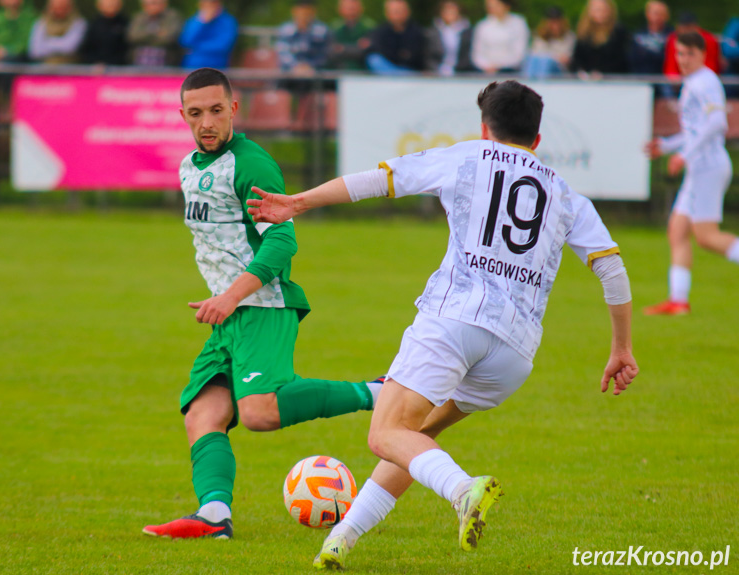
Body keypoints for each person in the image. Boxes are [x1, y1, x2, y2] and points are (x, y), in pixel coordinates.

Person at [247, 79, 639, 570]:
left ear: (484, 127)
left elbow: (379, 179)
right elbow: (612, 268)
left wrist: (298, 202)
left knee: (385, 433)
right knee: (415, 440)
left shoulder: (467, 156)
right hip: (515, 352)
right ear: (537, 140)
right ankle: (341, 539)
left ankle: (463, 489)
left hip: (455, 321)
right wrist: (621, 347)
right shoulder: (564, 194)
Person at [141, 68, 383, 540]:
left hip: (261, 306)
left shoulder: (251, 164)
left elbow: (281, 243)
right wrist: (224, 302)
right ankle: (213, 514)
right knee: (203, 414)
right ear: (182, 116)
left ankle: (376, 393)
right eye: (195, 114)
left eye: (215, 110)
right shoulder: (189, 166)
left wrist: (230, 297)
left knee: (258, 412)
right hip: (228, 315)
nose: (206, 122)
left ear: (233, 109)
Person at [644, 32, 738, 316]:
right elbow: (694, 131)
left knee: (707, 237)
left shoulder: (705, 82)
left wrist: (683, 155)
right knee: (677, 231)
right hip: (699, 168)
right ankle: (678, 301)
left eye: (688, 54)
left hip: (708, 167)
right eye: (679, 54)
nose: (682, 60)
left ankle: (678, 300)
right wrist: (667, 145)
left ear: (702, 54)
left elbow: (717, 123)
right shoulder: (693, 83)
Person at [365, 0, 426, 75]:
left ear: (407, 12)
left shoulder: (417, 31)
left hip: (410, 69)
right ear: (387, 13)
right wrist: (401, 55)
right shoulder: (380, 31)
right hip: (389, 68)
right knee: (374, 59)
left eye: (399, 11)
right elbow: (380, 51)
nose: (397, 14)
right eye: (395, 11)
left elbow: (416, 56)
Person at [570, 0, 628, 78]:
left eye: (603, 10)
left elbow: (621, 60)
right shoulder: (583, 33)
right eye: (597, 10)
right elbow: (576, 60)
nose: (600, 13)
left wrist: (602, 73)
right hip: (586, 80)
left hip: (612, 80)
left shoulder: (618, 32)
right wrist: (581, 72)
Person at [471, 0, 528, 74]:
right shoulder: (482, 25)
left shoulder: (518, 23)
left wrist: (499, 65)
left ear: (506, 5)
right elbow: (477, 53)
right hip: (486, 72)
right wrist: (487, 66)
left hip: (511, 71)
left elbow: (520, 53)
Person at [275, 0, 330, 75]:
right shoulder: (285, 30)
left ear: (313, 12)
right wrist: (295, 66)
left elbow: (324, 54)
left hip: (315, 72)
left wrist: (310, 66)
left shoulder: (322, 30)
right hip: (290, 72)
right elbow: (283, 52)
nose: (303, 15)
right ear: (294, 11)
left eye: (307, 11)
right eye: (301, 10)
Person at [178, 0, 238, 69]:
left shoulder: (228, 22)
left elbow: (223, 46)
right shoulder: (195, 20)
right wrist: (202, 23)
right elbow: (186, 41)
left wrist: (196, 48)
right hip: (192, 64)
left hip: (217, 65)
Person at [663, 12, 721, 77]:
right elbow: (671, 68)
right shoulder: (673, 39)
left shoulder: (709, 40)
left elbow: (711, 66)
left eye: (691, 53)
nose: (685, 60)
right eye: (681, 54)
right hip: (679, 81)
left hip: (700, 76)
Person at [28, 0, 87, 65]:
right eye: (56, 7)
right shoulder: (41, 23)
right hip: (43, 68)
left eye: (63, 7)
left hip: (70, 69)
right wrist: (60, 45)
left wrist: (47, 43)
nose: (59, 10)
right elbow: (35, 51)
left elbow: (69, 48)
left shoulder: (79, 23)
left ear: (70, 7)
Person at [523, 5, 574, 78]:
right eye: (552, 22)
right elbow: (536, 54)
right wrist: (555, 56)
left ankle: (541, 84)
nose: (555, 25)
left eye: (557, 22)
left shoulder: (569, 37)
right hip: (541, 68)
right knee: (533, 60)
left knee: (546, 62)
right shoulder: (540, 37)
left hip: (560, 71)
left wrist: (551, 57)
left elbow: (566, 59)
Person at [127, 0, 183, 67]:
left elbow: (170, 38)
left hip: (165, 63)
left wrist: (145, 36)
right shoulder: (139, 17)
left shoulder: (172, 17)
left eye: (155, 3)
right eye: (149, 4)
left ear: (164, 4)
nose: (152, 6)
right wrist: (156, 33)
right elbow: (132, 36)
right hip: (140, 62)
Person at [425, 0, 473, 76]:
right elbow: (428, 56)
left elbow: (468, 56)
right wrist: (438, 69)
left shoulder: (467, 31)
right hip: (436, 73)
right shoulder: (432, 32)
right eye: (447, 10)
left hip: (461, 73)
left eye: (452, 11)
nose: (450, 13)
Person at [327, 0, 374, 71]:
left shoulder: (369, 27)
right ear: (340, 9)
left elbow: (368, 51)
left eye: (353, 8)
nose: (351, 12)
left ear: (361, 9)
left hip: (363, 69)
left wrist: (343, 49)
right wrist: (355, 48)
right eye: (348, 8)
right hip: (339, 69)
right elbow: (331, 52)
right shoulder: (334, 27)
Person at [80, 0, 130, 66]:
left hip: (119, 67)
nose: (111, 5)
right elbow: (87, 48)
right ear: (100, 6)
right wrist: (95, 62)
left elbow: (126, 49)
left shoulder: (125, 23)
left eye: (113, 3)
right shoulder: (93, 24)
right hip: (96, 68)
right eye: (108, 3)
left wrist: (111, 63)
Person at [629, 0, 671, 75]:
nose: (658, 17)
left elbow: (669, 60)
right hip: (640, 78)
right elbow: (632, 59)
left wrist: (646, 53)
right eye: (656, 13)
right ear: (647, 14)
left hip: (663, 80)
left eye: (661, 14)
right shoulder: (638, 35)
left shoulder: (671, 36)